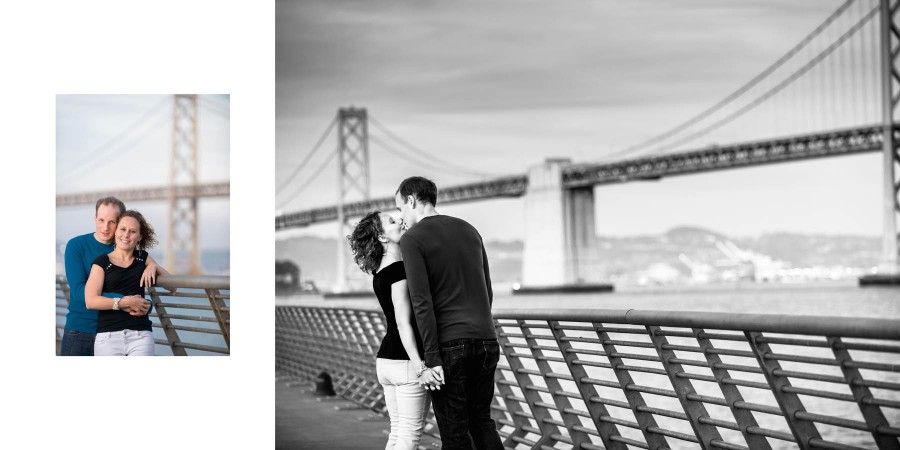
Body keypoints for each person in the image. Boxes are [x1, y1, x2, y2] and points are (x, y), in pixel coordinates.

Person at [394, 176, 504, 450]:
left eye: (400, 209)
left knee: (454, 431)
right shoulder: (470, 230)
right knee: (482, 421)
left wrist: (431, 359)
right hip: (486, 341)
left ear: (411, 200)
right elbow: (487, 291)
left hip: (449, 347)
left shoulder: (412, 239)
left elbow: (422, 302)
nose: (401, 217)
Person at [347, 211, 439, 450]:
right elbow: (403, 322)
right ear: (381, 237)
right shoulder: (399, 270)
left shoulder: (380, 270)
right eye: (391, 221)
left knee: (398, 433)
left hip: (387, 361)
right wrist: (420, 366)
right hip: (406, 363)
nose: (400, 220)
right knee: (409, 436)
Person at [60, 197, 160, 356]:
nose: (105, 227)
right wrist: (128, 302)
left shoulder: (129, 250)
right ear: (94, 219)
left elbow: (134, 282)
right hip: (81, 332)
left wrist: (153, 265)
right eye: (101, 220)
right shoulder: (76, 245)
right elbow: (80, 293)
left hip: (117, 333)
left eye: (112, 222)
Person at [85, 210, 169, 356]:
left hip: (141, 335)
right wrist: (126, 302)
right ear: (116, 231)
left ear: (140, 236)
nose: (126, 235)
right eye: (122, 229)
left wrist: (154, 266)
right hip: (108, 336)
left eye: (132, 231)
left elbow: (172, 285)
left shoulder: (143, 258)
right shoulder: (101, 262)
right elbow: (91, 301)